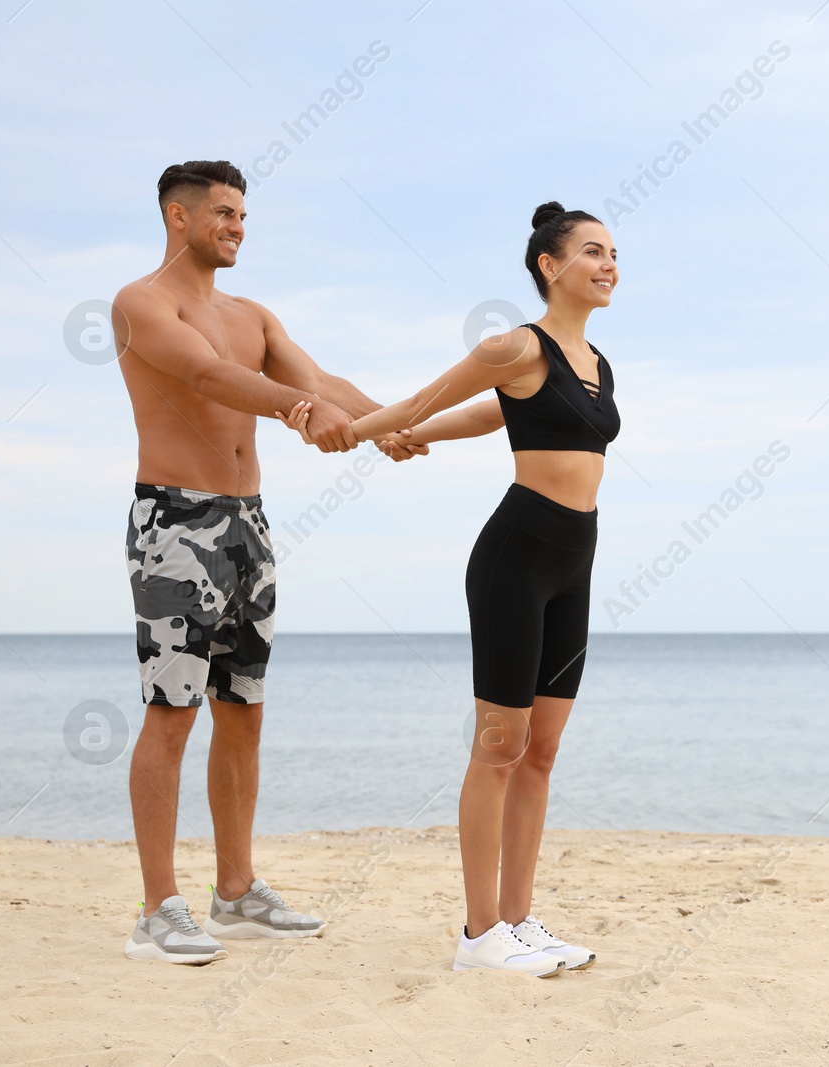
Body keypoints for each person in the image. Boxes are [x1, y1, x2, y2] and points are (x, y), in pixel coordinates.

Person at [283, 201, 619, 977]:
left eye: (614, 255)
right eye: (593, 252)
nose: (609, 266)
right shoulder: (515, 344)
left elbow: (491, 418)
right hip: (517, 553)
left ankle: (519, 919)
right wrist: (359, 432)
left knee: (541, 752)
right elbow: (421, 400)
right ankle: (478, 935)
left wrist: (421, 437)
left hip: (576, 560)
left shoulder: (597, 362)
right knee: (499, 746)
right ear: (550, 264)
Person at [111, 160, 426, 964]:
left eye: (243, 215)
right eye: (222, 212)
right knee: (171, 711)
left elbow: (319, 380)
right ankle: (157, 908)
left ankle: (237, 891)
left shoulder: (254, 313)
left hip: (248, 523)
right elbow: (209, 376)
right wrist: (298, 409)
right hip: (176, 520)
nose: (237, 226)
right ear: (177, 217)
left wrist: (389, 421)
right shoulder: (144, 302)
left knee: (243, 710)